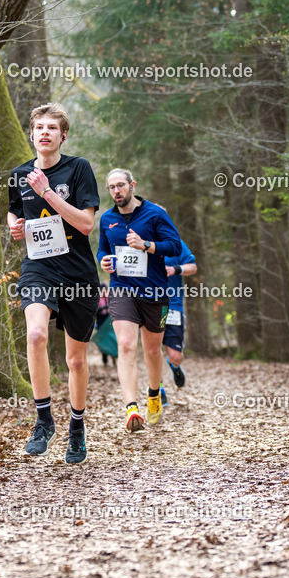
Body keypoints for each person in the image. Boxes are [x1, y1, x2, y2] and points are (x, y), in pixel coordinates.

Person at [8, 103, 100, 464]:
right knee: (35, 335)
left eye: (52, 128)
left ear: (63, 135)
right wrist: (13, 226)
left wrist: (48, 192)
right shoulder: (18, 175)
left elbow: (86, 224)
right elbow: (16, 212)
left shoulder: (78, 169)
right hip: (38, 268)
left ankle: (77, 428)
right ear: (32, 135)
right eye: (39, 128)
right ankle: (44, 419)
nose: (44, 133)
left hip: (78, 272)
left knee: (75, 360)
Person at [97, 169, 182, 431]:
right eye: (111, 187)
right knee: (125, 345)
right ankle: (131, 408)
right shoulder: (107, 218)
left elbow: (175, 247)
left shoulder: (155, 213)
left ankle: (154, 394)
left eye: (120, 185)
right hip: (122, 289)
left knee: (153, 350)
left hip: (155, 291)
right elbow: (103, 248)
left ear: (132, 185)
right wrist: (104, 260)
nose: (116, 191)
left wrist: (147, 245)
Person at [160, 240, 197, 402]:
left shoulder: (175, 243)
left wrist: (176, 269)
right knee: (153, 351)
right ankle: (157, 390)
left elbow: (192, 267)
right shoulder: (139, 243)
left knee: (175, 355)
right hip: (148, 304)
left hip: (173, 306)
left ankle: (174, 366)